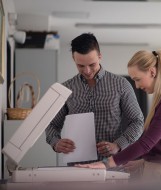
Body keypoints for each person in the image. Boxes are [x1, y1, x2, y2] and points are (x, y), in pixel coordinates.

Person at [76, 49, 161, 179]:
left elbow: (146, 143)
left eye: (137, 79)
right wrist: (143, 162)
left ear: (152, 72)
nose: (136, 86)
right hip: (157, 171)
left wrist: (106, 163)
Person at [45, 33, 144, 165]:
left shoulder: (121, 84)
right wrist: (56, 143)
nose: (87, 71)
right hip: (77, 168)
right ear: (73, 59)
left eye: (92, 64)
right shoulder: (66, 89)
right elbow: (51, 124)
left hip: (111, 167)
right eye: (80, 65)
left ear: (100, 57)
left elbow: (137, 121)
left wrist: (118, 145)